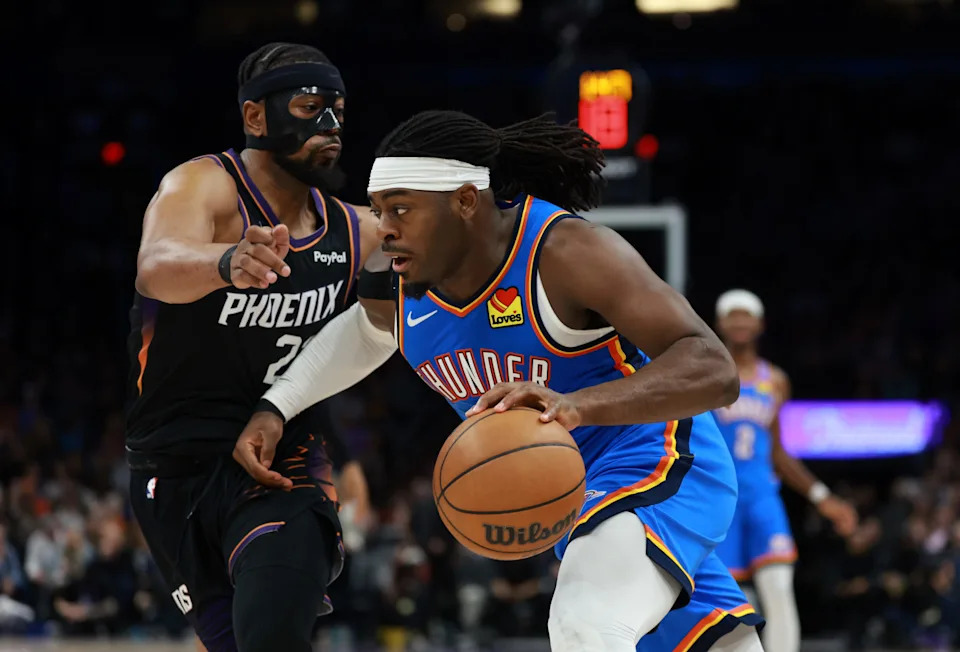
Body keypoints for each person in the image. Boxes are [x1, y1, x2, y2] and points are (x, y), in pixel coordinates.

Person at [236, 110, 765, 651]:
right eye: (378, 210)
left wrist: (577, 405)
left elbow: (713, 368)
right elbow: (368, 334)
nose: (384, 226)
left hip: (658, 459)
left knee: (585, 625)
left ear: (465, 202)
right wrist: (278, 405)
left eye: (400, 209)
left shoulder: (565, 252)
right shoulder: (395, 275)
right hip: (573, 491)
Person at [124, 42, 396, 652]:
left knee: (274, 633)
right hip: (170, 466)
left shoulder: (358, 229)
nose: (329, 127)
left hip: (283, 461)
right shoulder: (205, 185)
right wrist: (227, 261)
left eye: (338, 111)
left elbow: (385, 325)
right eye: (308, 106)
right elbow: (157, 265)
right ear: (255, 118)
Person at [712, 289, 859, 652]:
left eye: (747, 315)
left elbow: (778, 451)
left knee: (778, 588)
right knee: (727, 603)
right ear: (719, 324)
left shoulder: (775, 379)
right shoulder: (708, 376)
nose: (740, 322)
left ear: (760, 324)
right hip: (720, 499)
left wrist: (822, 497)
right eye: (733, 315)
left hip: (763, 496)